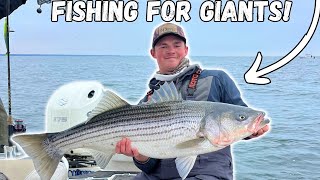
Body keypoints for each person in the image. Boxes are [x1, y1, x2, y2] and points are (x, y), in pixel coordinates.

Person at [115, 23, 270, 179]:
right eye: (163, 46)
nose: (171, 50)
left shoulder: (216, 79)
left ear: (186, 50)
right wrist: (140, 156)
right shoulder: (148, 101)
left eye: (177, 45)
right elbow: (148, 166)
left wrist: (252, 130)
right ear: (153, 53)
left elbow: (239, 116)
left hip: (206, 173)